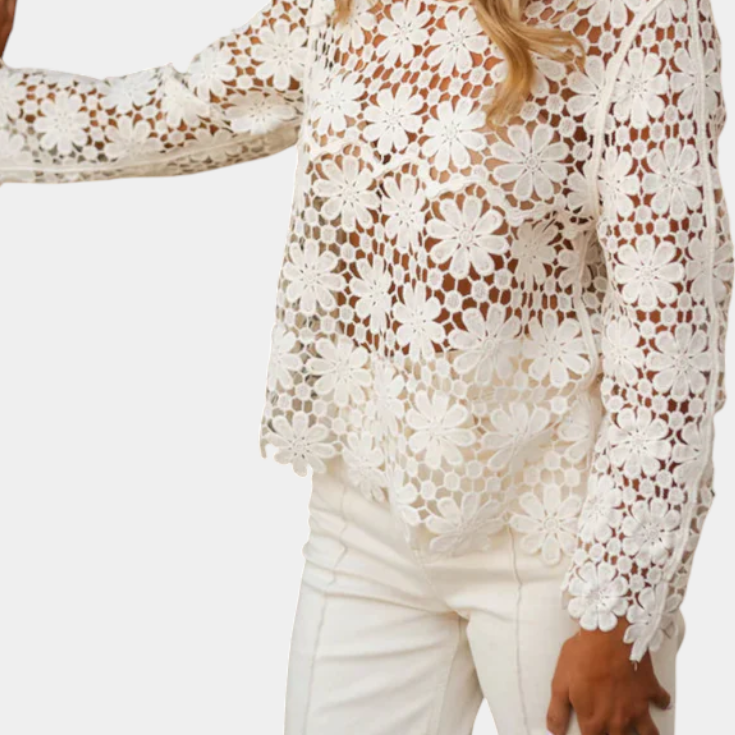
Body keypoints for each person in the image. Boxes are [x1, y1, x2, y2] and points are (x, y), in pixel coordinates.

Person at [0, 0, 731, 732]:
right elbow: (168, 113)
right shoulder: (340, 6)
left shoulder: (641, 18)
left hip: (559, 544)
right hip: (366, 520)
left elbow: (670, 340)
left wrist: (618, 612)